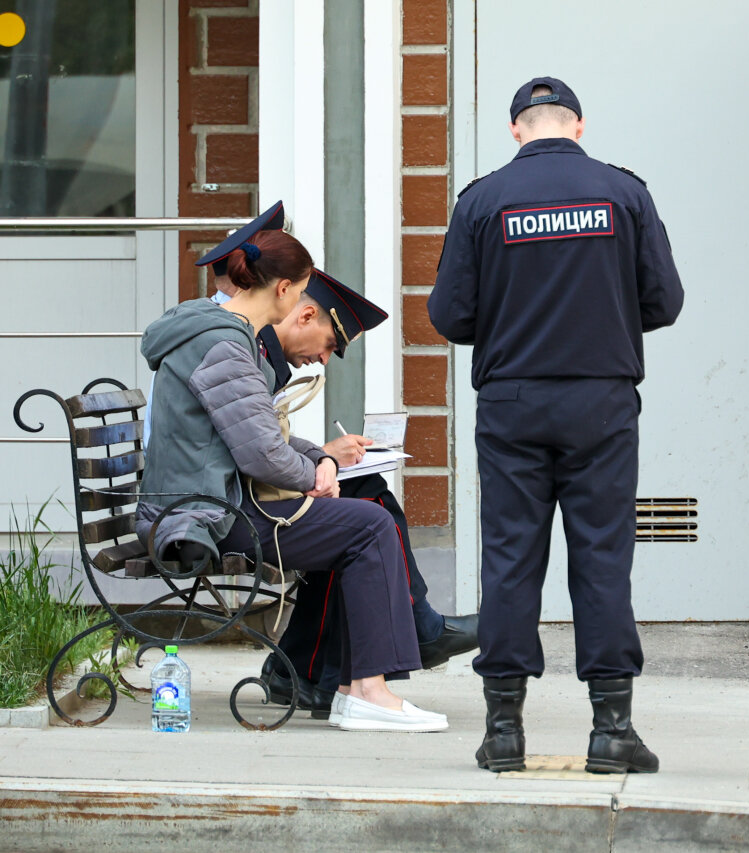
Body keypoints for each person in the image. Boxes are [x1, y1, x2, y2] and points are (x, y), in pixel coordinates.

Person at [429, 77, 684, 773]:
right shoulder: (624, 194)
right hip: (601, 402)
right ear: (577, 125)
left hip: (512, 403)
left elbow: (450, 317)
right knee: (603, 557)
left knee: (510, 559)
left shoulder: (482, 201)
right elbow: (665, 301)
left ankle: (503, 731)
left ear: (517, 129)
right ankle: (611, 730)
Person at [139, 214, 446, 733]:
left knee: (360, 521)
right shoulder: (225, 344)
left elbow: (264, 434)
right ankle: (367, 692)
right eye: (302, 290)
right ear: (283, 289)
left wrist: (320, 460)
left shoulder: (225, 336)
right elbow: (262, 454)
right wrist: (315, 475)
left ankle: (353, 689)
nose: (303, 300)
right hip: (203, 516)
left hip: (208, 504)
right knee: (368, 527)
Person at [243, 269, 480, 719]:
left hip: (231, 500)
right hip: (226, 510)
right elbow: (254, 451)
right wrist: (319, 466)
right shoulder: (240, 350)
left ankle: (303, 668)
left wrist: (323, 458)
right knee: (363, 516)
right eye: (331, 344)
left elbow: (258, 442)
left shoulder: (251, 349)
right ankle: (404, 635)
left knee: (366, 491)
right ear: (304, 311)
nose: (325, 359)